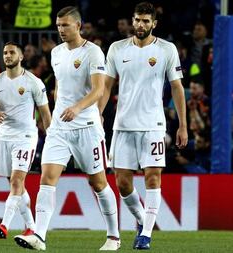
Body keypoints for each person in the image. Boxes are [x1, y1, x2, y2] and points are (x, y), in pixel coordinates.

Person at [14, 7, 120, 251]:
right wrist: (53, 117)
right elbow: (60, 86)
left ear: (78, 26)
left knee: (98, 183)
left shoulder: (93, 52)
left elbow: (99, 90)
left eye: (65, 25)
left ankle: (114, 236)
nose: (61, 30)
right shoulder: (56, 53)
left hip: (87, 128)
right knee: (46, 179)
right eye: (58, 25)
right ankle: (39, 235)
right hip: (60, 128)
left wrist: (77, 108)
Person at [99, 2, 188, 250]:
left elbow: (177, 88)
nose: (140, 25)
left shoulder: (166, 49)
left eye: (146, 21)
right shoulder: (117, 49)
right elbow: (106, 86)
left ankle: (146, 234)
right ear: (132, 20)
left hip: (153, 124)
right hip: (123, 124)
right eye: (137, 20)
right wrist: (98, 113)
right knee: (123, 182)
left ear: (154, 24)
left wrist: (182, 125)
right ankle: (141, 219)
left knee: (152, 176)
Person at [0, 42, 52, 240]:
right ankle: (30, 227)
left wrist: (51, 143)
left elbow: (46, 115)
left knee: (16, 180)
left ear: (21, 56)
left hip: (25, 137)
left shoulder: (34, 82)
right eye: (5, 52)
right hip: (5, 136)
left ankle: (4, 224)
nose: (7, 56)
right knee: (16, 184)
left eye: (12, 52)